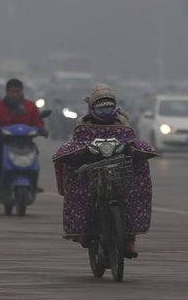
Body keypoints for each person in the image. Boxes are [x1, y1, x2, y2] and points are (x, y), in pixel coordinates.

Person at [53, 84, 157, 258]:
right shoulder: (83, 123)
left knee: (132, 193)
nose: (105, 110)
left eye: (108, 105)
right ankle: (83, 231)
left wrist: (130, 148)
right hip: (92, 167)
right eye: (101, 106)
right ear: (92, 106)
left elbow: (131, 139)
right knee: (82, 192)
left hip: (119, 167)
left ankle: (130, 238)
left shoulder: (122, 121)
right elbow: (76, 143)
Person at [0, 78, 46, 184]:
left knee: (35, 153)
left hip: (26, 142)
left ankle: (33, 183)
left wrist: (41, 129)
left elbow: (38, 122)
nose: (15, 94)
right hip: (4, 141)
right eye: (12, 92)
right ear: (7, 92)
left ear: (22, 91)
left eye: (17, 91)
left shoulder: (30, 106)